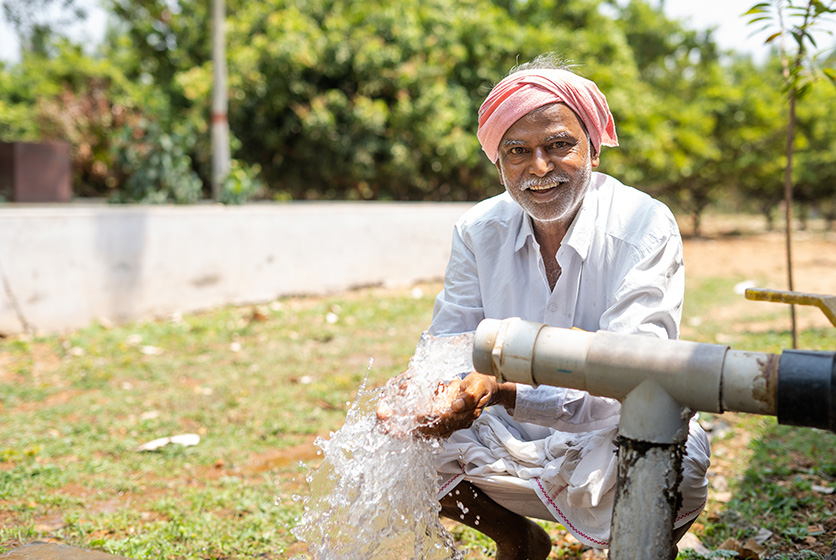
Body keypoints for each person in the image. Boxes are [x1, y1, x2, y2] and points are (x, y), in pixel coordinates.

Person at [402, 54, 711, 560]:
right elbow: (449, 340)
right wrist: (427, 393)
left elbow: (632, 380)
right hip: (505, 429)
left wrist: (505, 389)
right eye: (518, 150)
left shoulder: (643, 225)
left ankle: (640, 549)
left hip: (605, 431)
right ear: (497, 162)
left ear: (592, 149)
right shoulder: (478, 230)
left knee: (675, 462)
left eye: (560, 145)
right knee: (402, 430)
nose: (539, 168)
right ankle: (518, 540)